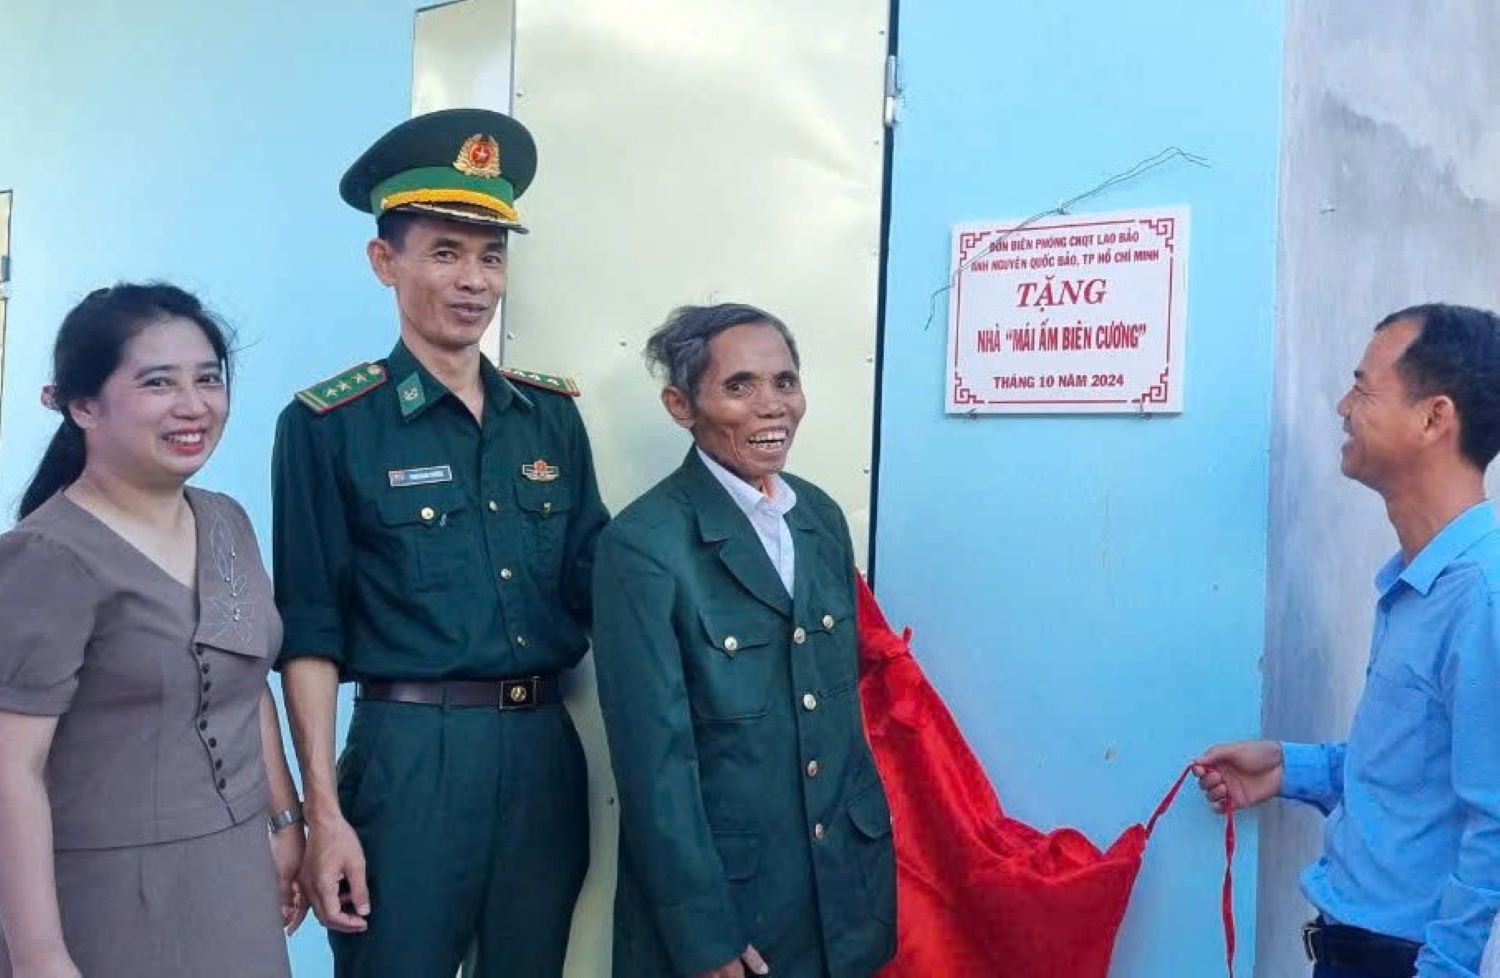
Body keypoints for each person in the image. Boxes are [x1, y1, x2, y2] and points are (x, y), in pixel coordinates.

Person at [272, 108, 609, 977]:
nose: (474, 281)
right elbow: (308, 632)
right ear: (384, 261)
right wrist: (322, 814)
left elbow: (602, 584)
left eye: (491, 257)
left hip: (542, 752)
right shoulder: (330, 426)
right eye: (446, 253)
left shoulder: (551, 419)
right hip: (409, 755)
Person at [0, 284, 305, 978]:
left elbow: (244, 677)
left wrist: (285, 820)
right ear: (82, 406)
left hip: (234, 877)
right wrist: (40, 955)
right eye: (158, 383)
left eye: (208, 379)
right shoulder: (45, 558)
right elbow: (11, 770)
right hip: (106, 896)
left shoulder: (225, 522)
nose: (193, 406)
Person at [592, 303, 897, 978]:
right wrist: (702, 933)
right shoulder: (642, 547)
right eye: (739, 386)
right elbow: (654, 765)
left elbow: (837, 719)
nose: (772, 406)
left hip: (841, 894)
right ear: (681, 405)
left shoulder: (817, 516)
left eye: (785, 381)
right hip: (732, 905)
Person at [1195, 303, 1500, 978]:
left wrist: (1442, 970)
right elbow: (1416, 776)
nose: (1342, 407)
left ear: (1434, 418)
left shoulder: (1483, 596)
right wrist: (1287, 769)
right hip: (1353, 948)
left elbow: (1496, 824)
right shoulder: (1417, 583)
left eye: (1363, 388)